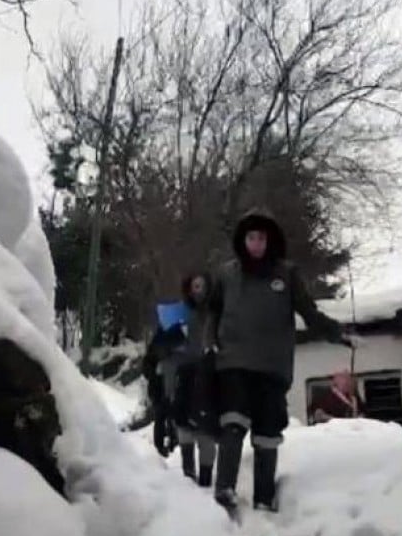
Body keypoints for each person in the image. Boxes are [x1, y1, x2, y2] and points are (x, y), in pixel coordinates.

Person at [209, 209, 353, 513]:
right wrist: (208, 343)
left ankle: (264, 497)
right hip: (234, 360)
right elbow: (211, 313)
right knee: (233, 422)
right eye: (251, 237)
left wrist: (334, 332)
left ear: (270, 240)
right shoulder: (226, 275)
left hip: (272, 366)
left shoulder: (286, 274)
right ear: (243, 240)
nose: (256, 243)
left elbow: (308, 312)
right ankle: (224, 489)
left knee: (267, 433)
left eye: (262, 237)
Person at [173, 273, 218, 486]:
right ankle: (187, 474)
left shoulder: (216, 311)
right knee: (184, 425)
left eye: (202, 285)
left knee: (207, 429)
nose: (198, 290)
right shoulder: (181, 312)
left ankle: (207, 478)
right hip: (186, 372)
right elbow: (166, 343)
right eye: (195, 286)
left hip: (210, 374)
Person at [142, 310, 188, 458]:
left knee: (164, 417)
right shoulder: (175, 338)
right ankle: (165, 448)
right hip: (165, 386)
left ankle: (164, 448)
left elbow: (147, 364)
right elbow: (147, 365)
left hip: (167, 386)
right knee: (165, 417)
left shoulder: (162, 339)